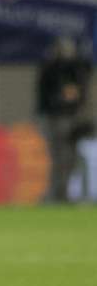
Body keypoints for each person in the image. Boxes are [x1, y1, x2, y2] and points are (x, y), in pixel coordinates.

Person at [38, 36, 92, 202]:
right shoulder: (53, 69)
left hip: (71, 117)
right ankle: (59, 193)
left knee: (70, 157)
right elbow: (45, 95)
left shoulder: (75, 69)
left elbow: (82, 86)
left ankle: (65, 192)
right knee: (59, 157)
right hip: (57, 117)